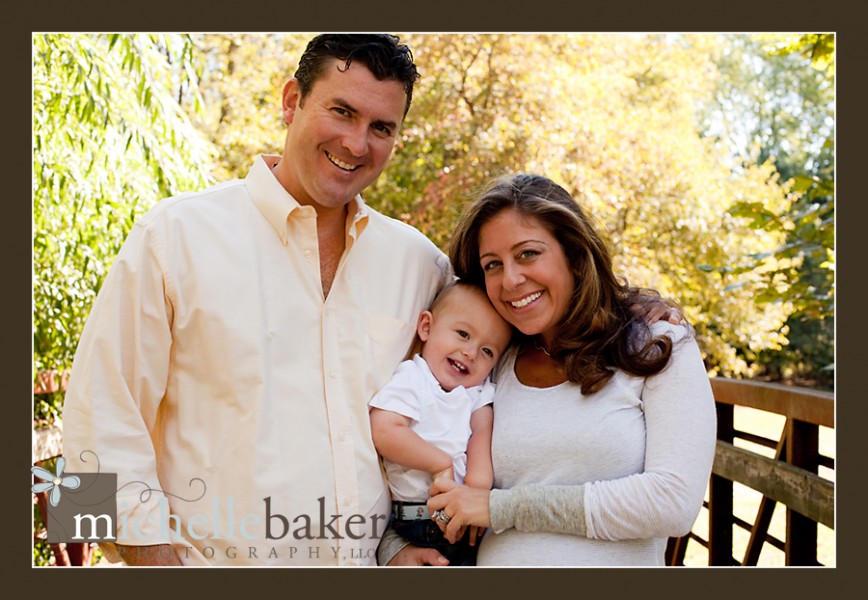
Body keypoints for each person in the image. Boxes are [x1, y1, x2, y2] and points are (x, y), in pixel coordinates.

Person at [60, 34, 453, 566]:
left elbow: (444, 423)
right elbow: (94, 426)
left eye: (381, 127)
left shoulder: (419, 267)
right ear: (291, 101)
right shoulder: (173, 237)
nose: (358, 144)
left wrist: (399, 549)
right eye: (341, 111)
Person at [383, 173, 717, 566]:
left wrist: (500, 508)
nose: (510, 279)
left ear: (574, 254)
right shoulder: (488, 361)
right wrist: (394, 549)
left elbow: (672, 502)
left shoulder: (655, 343)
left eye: (528, 254)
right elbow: (413, 470)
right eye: (492, 264)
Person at [369, 282, 512, 566]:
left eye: (487, 351)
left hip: (467, 516)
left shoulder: (477, 392)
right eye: (462, 334)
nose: (470, 352)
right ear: (426, 327)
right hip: (417, 520)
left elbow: (481, 437)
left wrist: (476, 489)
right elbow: (385, 429)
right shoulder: (414, 377)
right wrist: (439, 464)